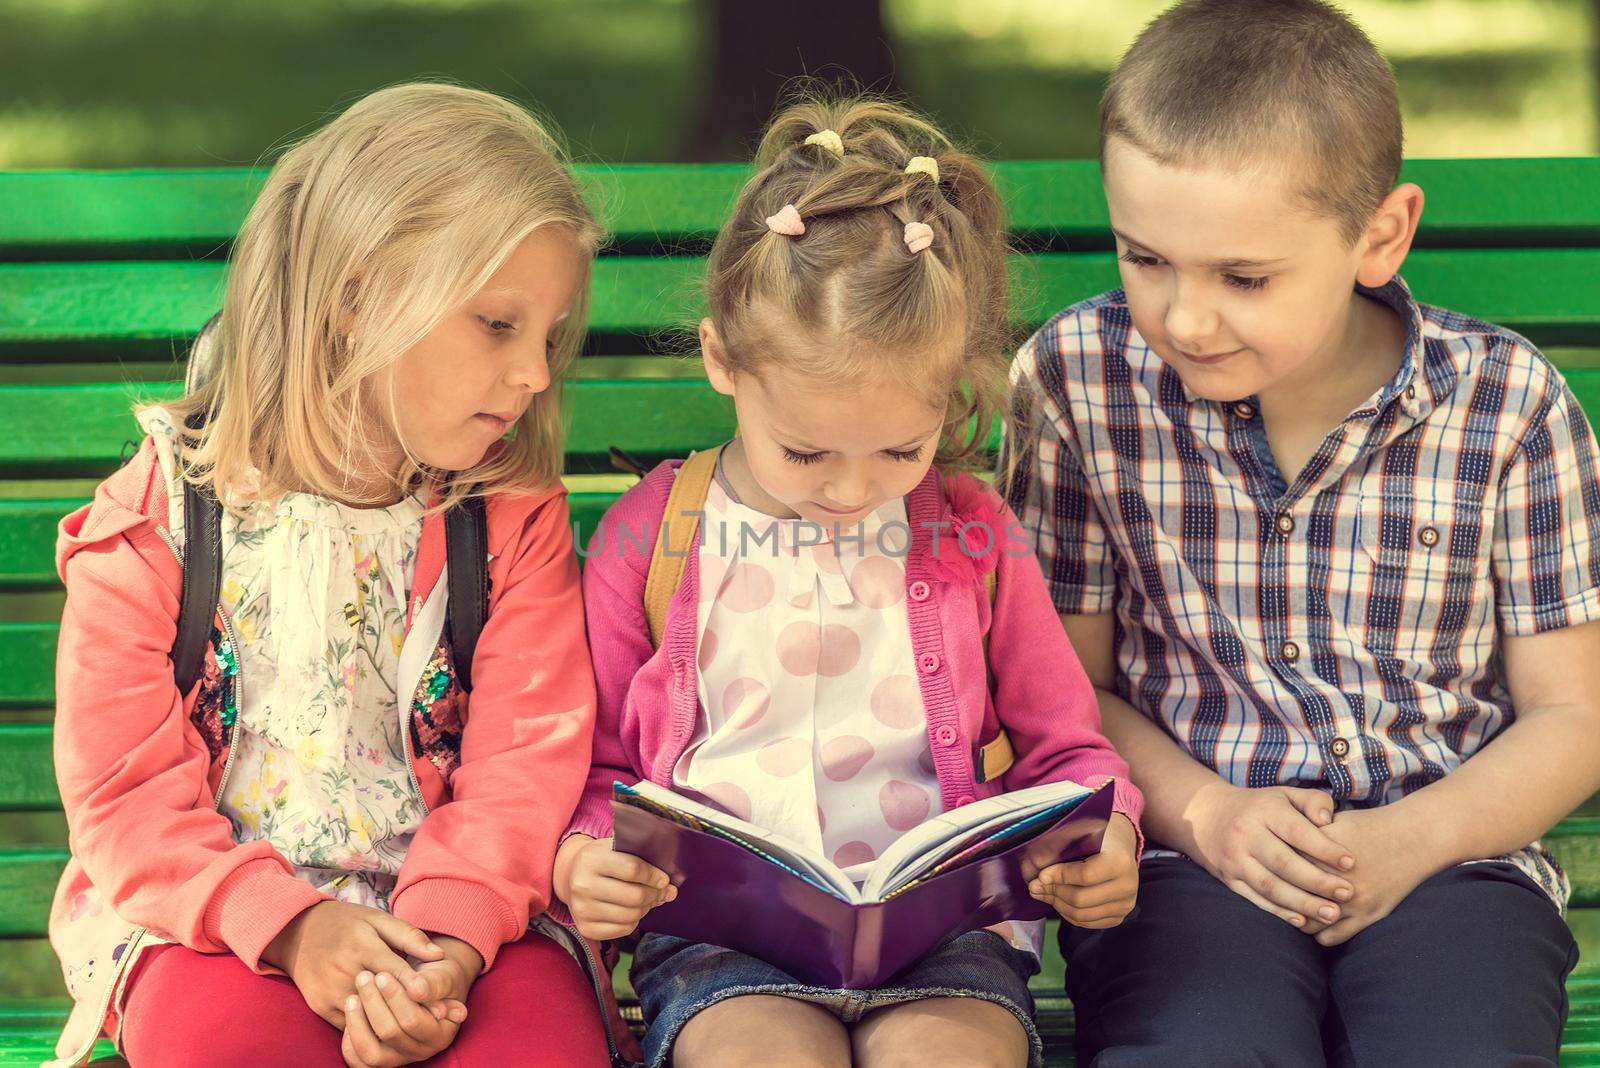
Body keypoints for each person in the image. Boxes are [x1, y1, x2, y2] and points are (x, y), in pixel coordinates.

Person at [1002, 2, 1600, 1063]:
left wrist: (1414, 839)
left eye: (1243, 278)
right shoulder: (1077, 384)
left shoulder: (1507, 406)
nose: (1185, 318)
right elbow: (1065, 690)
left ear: (1380, 233)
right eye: (1146, 259)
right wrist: (1206, 815)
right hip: (1185, 856)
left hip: (1452, 858)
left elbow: (1572, 716)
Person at [557, 94, 1145, 1068]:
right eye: (805, 451)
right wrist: (587, 858)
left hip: (944, 944)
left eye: (898, 451)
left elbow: (1067, 753)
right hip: (721, 945)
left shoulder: (972, 536)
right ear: (721, 361)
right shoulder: (653, 535)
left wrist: (1103, 838)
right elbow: (601, 766)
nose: (850, 489)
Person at [46, 82, 612, 1068]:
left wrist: (447, 946)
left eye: (548, 337)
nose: (533, 374)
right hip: (217, 922)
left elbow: (525, 769)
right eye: (496, 326)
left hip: (464, 923)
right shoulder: (158, 524)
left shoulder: (507, 519)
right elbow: (125, 799)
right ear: (357, 299)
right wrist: (291, 928)